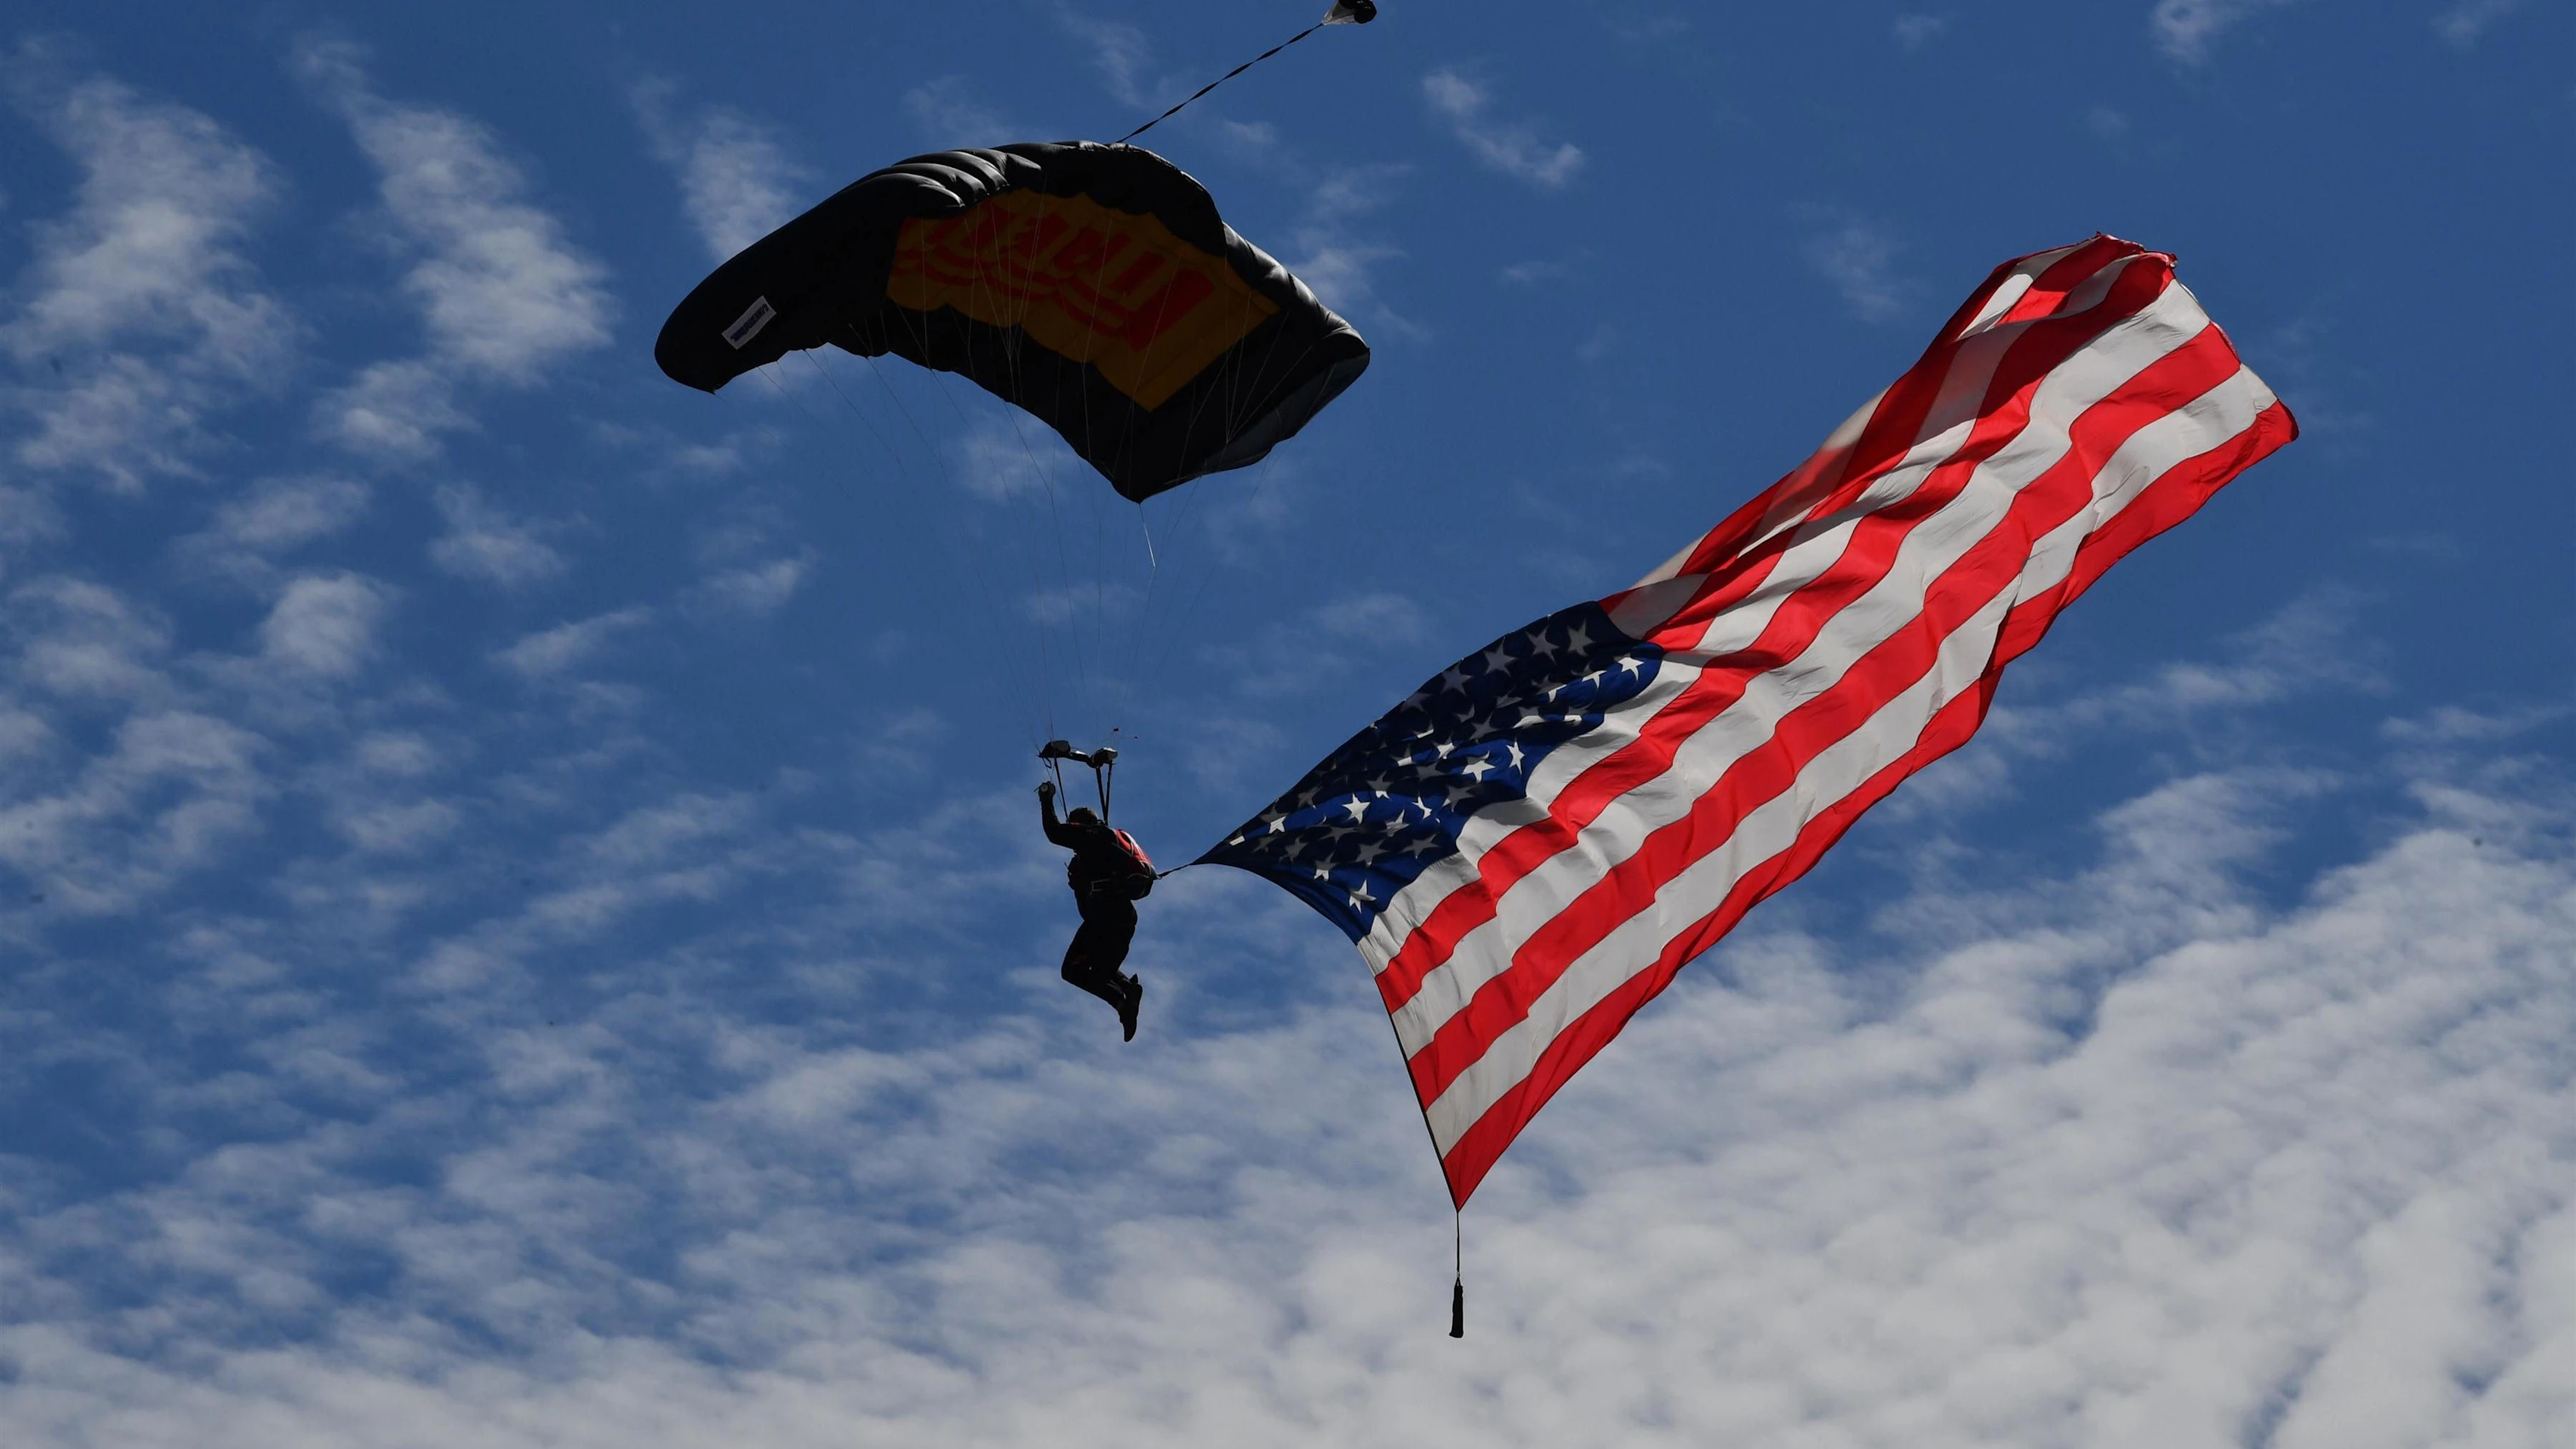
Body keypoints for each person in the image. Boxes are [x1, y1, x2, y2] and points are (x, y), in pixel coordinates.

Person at [1038, 779, 1151, 1040]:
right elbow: (1085, 912)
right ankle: (1126, 998)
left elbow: (1054, 832)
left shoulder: (1094, 836)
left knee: (1072, 971)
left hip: (1107, 917)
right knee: (1098, 973)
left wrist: (1046, 797)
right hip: (1121, 919)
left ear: (1080, 825)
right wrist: (1079, 885)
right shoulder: (1102, 849)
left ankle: (1123, 996)